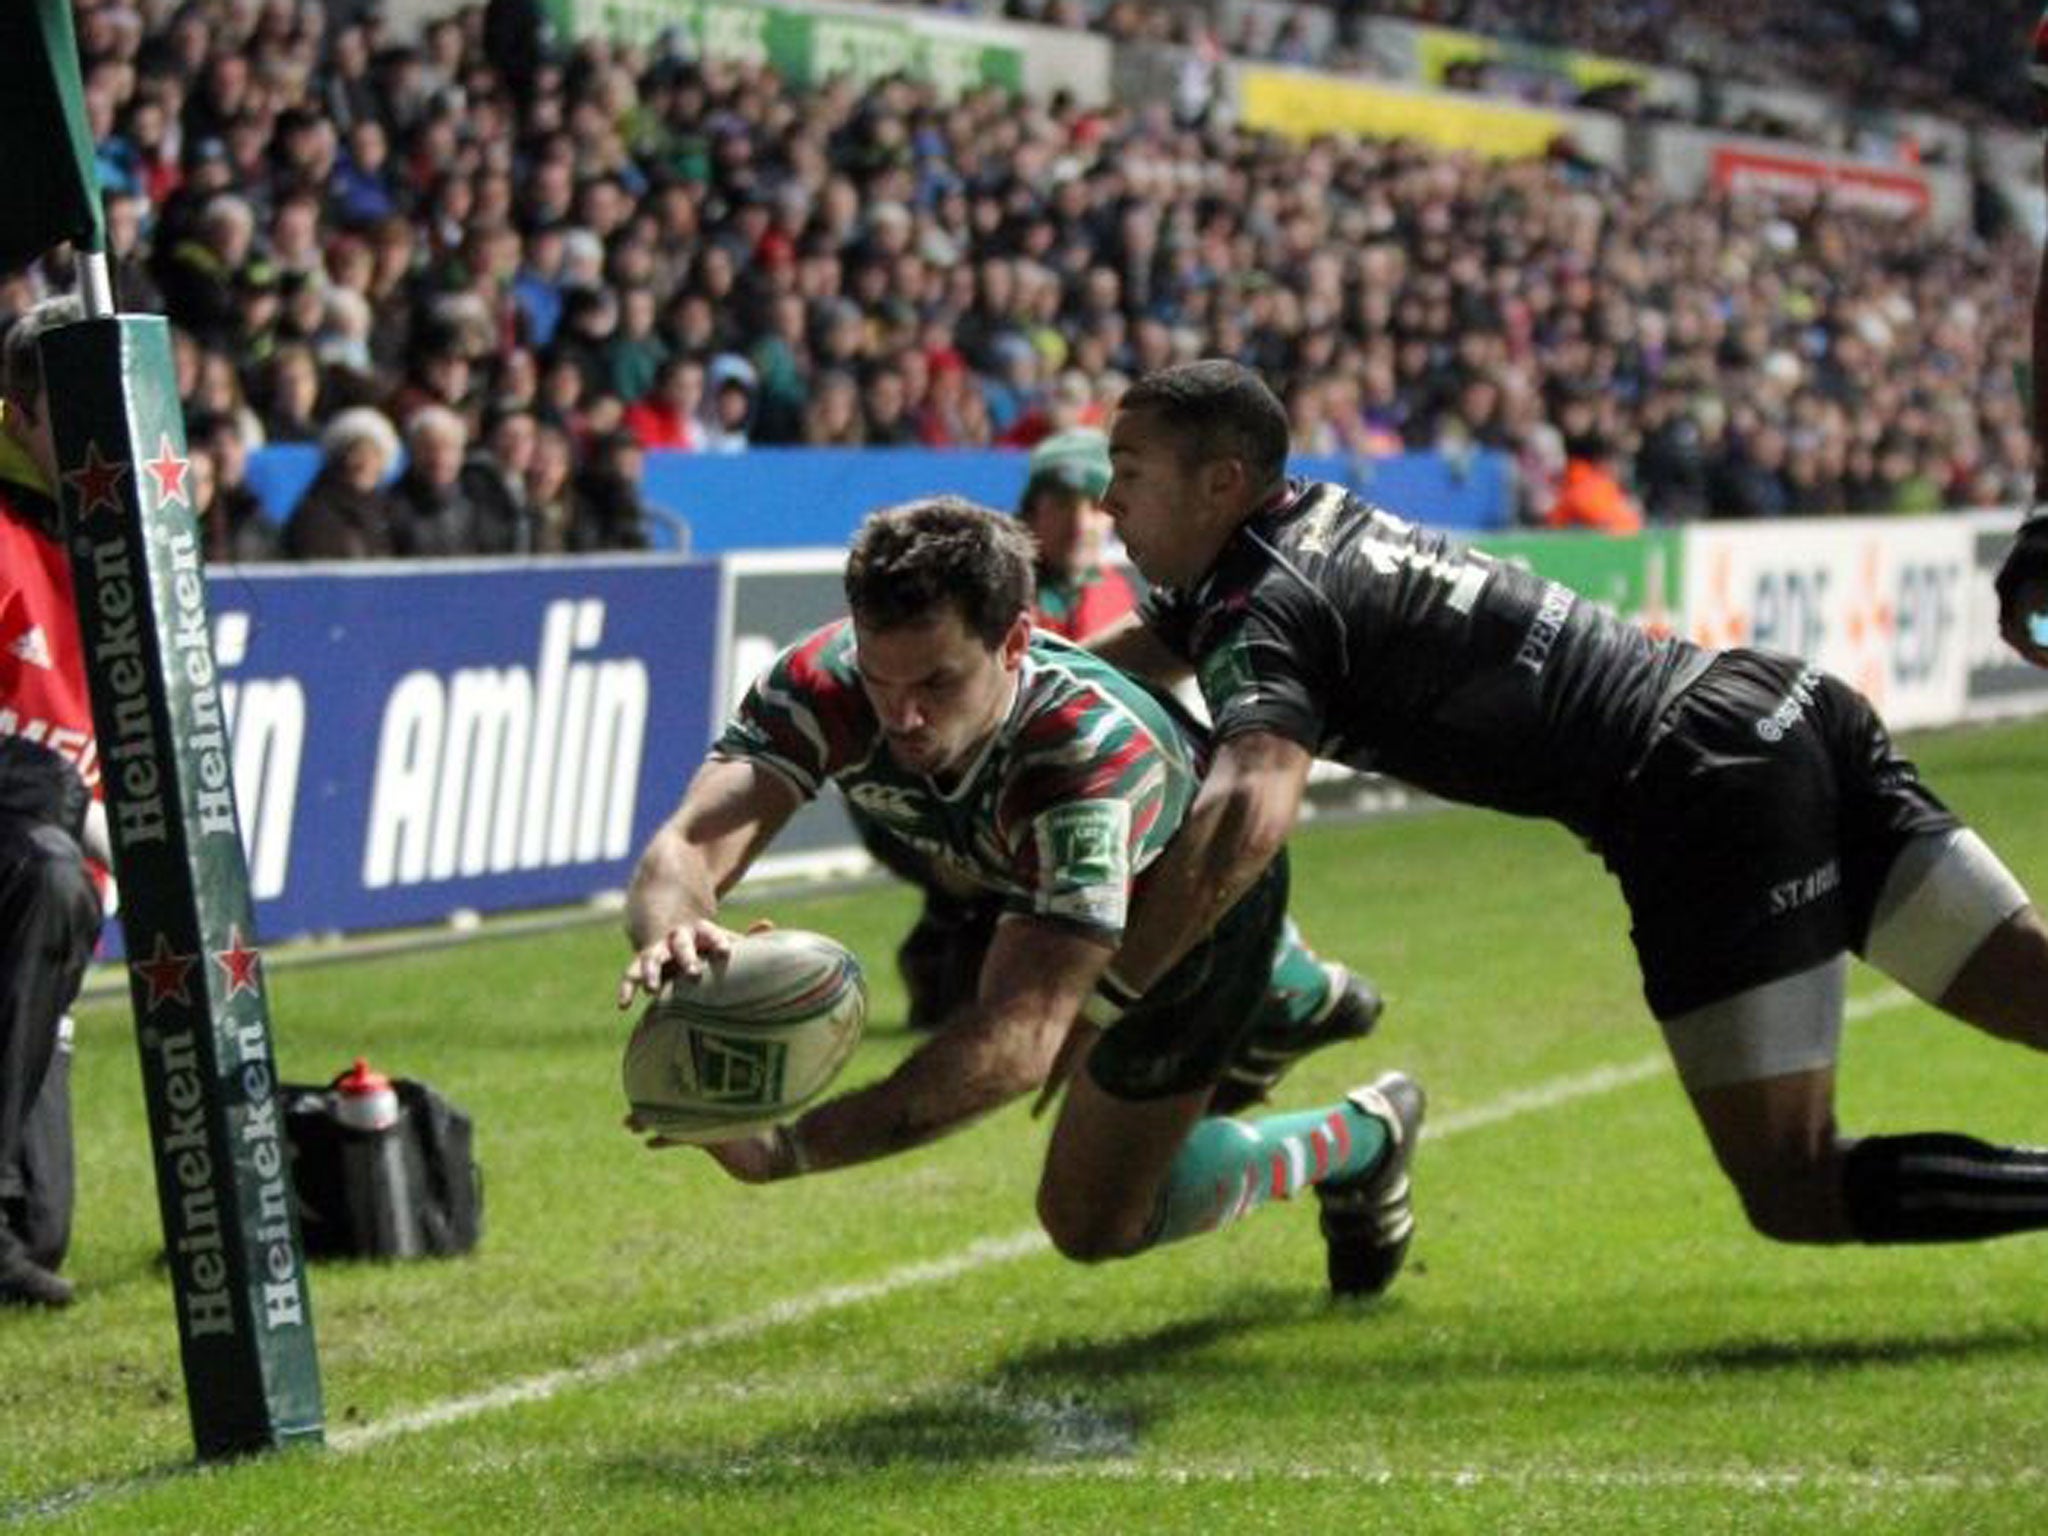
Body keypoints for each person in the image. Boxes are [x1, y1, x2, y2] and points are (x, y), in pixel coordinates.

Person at [1088, 357, 2048, 1254]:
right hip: (1775, 703)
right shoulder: (1299, 526)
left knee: (1793, 1182)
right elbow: (1127, 656)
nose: (1107, 500)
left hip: (1697, 791)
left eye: (1128, 471)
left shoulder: (1264, 606)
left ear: (1220, 482)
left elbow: (1251, 806)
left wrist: (1110, 990)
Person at [618, 498, 1422, 1297]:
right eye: (878, 673)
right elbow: (688, 843)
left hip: (1192, 915)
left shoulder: (1080, 769)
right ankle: (1292, 996)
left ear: (1015, 643)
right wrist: (677, 935)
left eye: (936, 680)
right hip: (1043, 873)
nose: (901, 713)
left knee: (1093, 1221)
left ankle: (1361, 1136)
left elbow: (1020, 1038)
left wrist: (795, 1146)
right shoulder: (823, 685)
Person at [0, 299, 108, 1307]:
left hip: (63, 900)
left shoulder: (122, 540)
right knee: (46, 869)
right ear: (18, 412)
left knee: (43, 1227)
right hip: (24, 864)